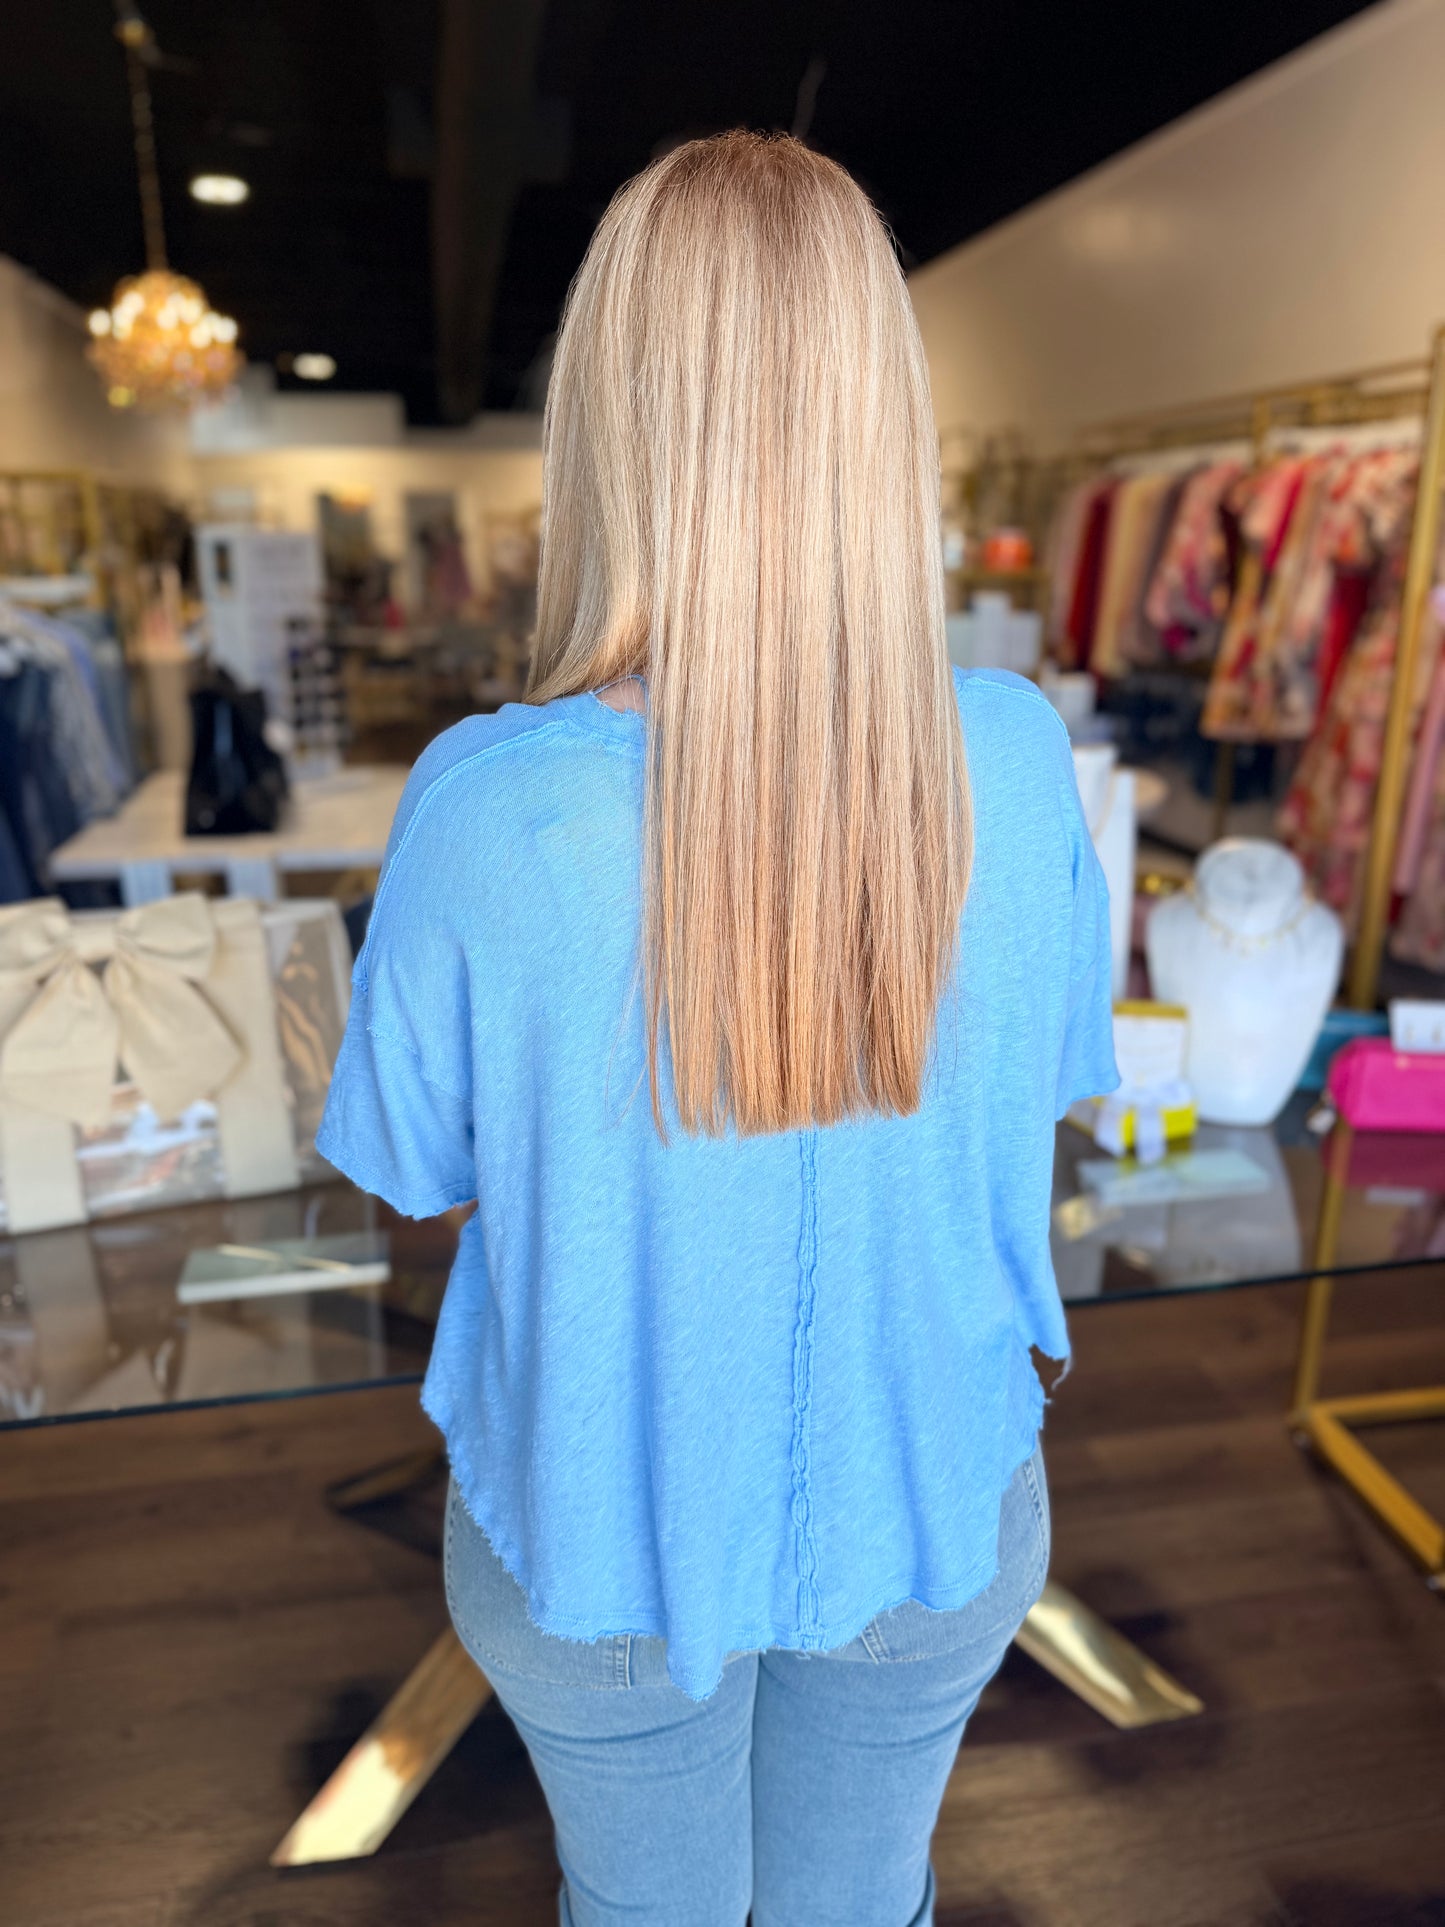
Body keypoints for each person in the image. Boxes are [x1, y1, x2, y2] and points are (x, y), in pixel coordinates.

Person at [318, 129, 1117, 1927]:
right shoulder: (1010, 755)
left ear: (605, 414)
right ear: (879, 409)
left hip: (600, 1513)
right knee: (863, 1905)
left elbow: (412, 1175)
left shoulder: (488, 806)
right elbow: (1044, 1090)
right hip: (929, 1492)